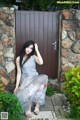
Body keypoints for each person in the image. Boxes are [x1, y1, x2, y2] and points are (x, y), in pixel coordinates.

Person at [14, 40, 48, 118]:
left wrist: (37, 50)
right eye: (27, 47)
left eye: (31, 48)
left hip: (35, 78)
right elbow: (19, 73)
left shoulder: (33, 57)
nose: (29, 49)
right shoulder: (19, 59)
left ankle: (37, 105)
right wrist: (16, 86)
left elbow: (41, 62)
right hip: (26, 80)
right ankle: (28, 108)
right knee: (32, 89)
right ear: (24, 47)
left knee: (44, 78)